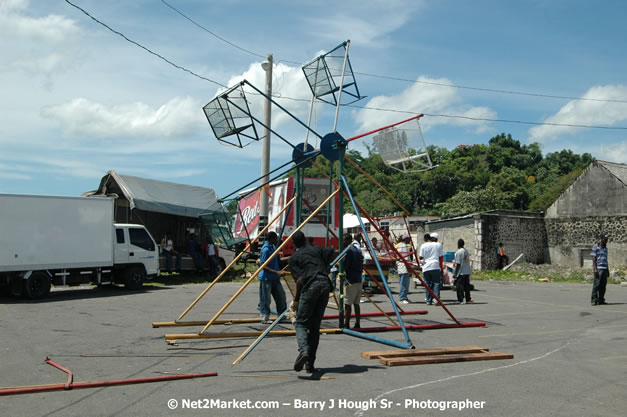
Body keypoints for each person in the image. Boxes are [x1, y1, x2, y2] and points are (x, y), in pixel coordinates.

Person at [288, 231, 335, 373]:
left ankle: (304, 350)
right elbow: (333, 251)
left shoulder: (294, 258)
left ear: (294, 243)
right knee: (314, 327)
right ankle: (310, 364)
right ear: (306, 240)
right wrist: (325, 264)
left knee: (301, 323)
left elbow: (299, 281)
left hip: (311, 286)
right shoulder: (317, 249)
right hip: (325, 284)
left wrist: (296, 300)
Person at [258, 231, 287, 324]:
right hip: (267, 278)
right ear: (271, 239)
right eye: (275, 238)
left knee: (281, 296)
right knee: (266, 299)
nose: (277, 240)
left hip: (275, 278)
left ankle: (281, 315)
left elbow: (279, 260)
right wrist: (276, 272)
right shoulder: (266, 249)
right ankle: (264, 316)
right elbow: (263, 265)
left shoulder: (274, 247)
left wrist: (291, 257)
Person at [342, 234, 364, 329]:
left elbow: (345, 265)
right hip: (358, 279)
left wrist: (340, 268)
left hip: (350, 280)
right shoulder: (358, 250)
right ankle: (357, 323)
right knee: (356, 304)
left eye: (343, 240)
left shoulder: (349, 251)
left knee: (347, 304)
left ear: (347, 240)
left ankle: (346, 324)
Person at [419, 232, 443, 305]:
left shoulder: (423, 245)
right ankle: (436, 299)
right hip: (435, 265)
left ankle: (428, 300)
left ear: (425, 239)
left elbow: (421, 257)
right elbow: (440, 255)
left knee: (427, 284)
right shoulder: (438, 245)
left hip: (426, 266)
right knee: (436, 283)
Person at [591, 234, 610, 306]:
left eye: (607, 239)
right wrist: (595, 269)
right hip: (598, 268)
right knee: (596, 285)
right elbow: (593, 259)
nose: (606, 240)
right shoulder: (596, 247)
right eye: (605, 239)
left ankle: (601, 299)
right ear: (601, 239)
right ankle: (594, 299)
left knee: (603, 285)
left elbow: (606, 260)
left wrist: (607, 270)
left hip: (604, 268)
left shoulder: (606, 248)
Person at [454, 239, 473, 304]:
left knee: (459, 286)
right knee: (466, 286)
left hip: (461, 272)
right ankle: (468, 299)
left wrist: (455, 273)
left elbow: (458, 264)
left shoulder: (458, 252)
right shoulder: (466, 251)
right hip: (467, 271)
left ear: (458, 244)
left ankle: (460, 299)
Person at [396, 234, 412, 304]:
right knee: (404, 283)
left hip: (401, 266)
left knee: (404, 283)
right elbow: (405, 259)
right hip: (404, 267)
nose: (410, 240)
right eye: (409, 239)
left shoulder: (399, 245)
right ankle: (402, 298)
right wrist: (409, 270)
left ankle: (404, 296)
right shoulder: (403, 246)